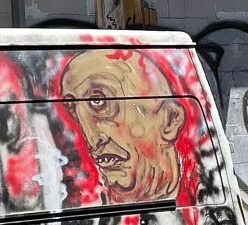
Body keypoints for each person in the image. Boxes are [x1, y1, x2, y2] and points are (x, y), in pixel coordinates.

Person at [59, 49, 187, 205]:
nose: (91, 140)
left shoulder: (205, 211)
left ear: (170, 120)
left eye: (99, 101)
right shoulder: (86, 219)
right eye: (73, 110)